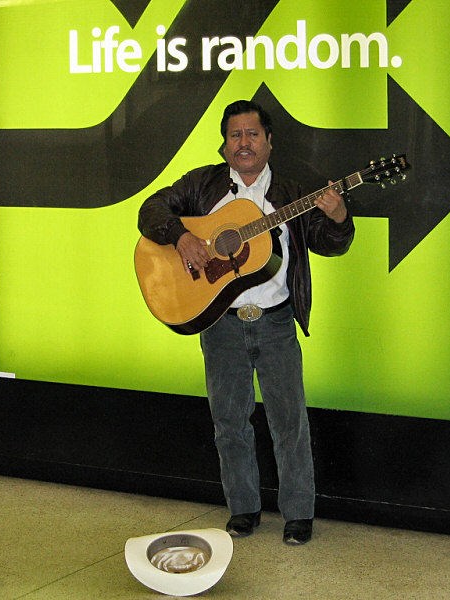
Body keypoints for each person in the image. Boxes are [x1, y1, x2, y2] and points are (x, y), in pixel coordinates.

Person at [138, 99, 355, 545]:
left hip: (275, 323)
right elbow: (150, 210)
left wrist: (338, 217)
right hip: (222, 325)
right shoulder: (202, 185)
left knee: (288, 422)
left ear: (270, 142)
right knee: (229, 423)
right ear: (224, 145)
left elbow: (329, 243)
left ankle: (298, 514)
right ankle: (243, 509)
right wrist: (181, 237)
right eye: (235, 135)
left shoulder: (295, 193)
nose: (244, 143)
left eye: (252, 134)